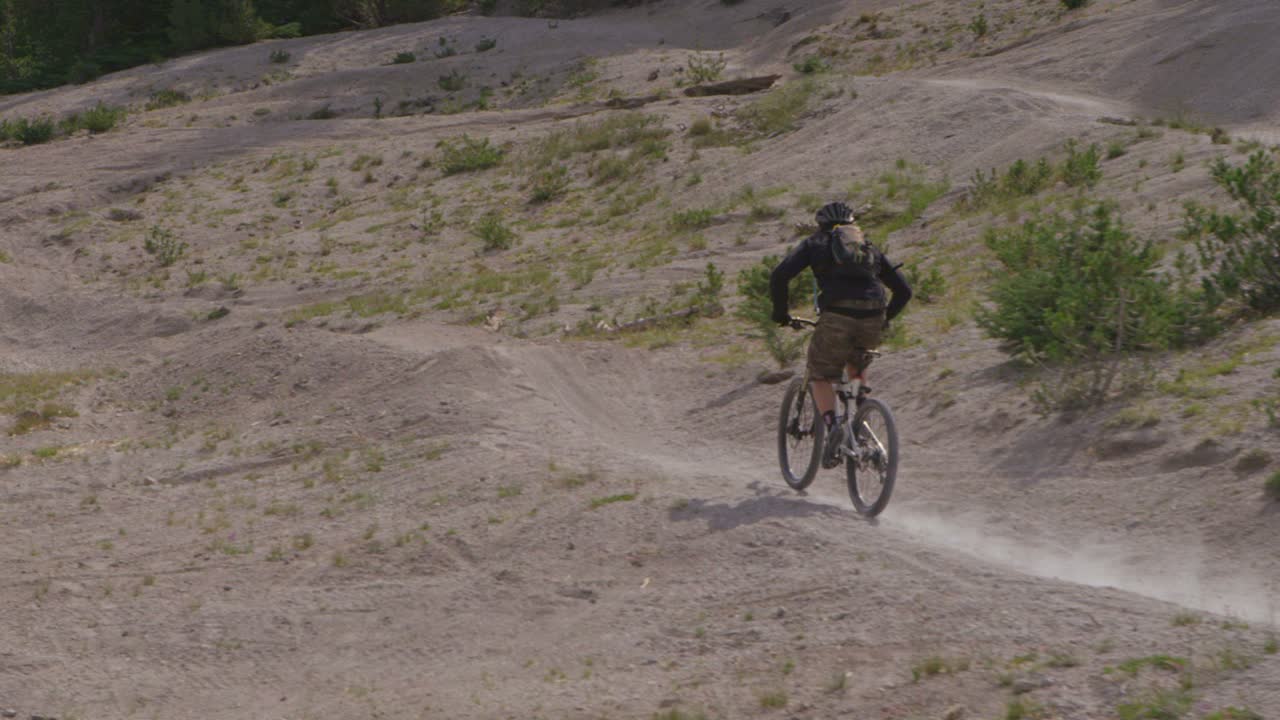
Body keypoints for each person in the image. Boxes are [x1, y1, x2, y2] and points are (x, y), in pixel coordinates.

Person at [769, 201, 912, 466]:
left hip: (837, 315)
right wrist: (885, 319)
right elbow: (904, 291)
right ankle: (862, 417)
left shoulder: (815, 243)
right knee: (856, 364)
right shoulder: (867, 248)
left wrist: (780, 314)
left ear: (820, 224)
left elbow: (780, 276)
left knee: (821, 373)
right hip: (873, 315)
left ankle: (832, 426)